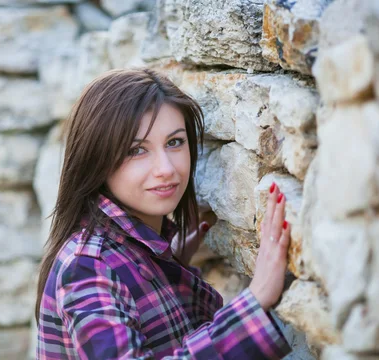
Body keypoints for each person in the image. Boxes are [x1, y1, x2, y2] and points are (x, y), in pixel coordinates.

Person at [36, 68, 293, 359]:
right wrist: (254, 302)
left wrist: (162, 269)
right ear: (97, 159)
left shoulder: (134, 251)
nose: (166, 169)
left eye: (174, 142)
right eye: (136, 150)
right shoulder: (88, 265)